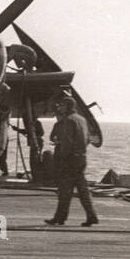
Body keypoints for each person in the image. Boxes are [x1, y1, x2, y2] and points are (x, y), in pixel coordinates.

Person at [46, 97, 99, 227]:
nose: (60, 108)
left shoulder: (68, 121)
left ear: (68, 106)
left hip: (69, 159)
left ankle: (60, 218)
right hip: (81, 157)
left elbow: (67, 142)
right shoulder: (82, 119)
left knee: (65, 189)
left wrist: (62, 158)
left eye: (62, 105)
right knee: (82, 190)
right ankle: (91, 215)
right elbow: (87, 139)